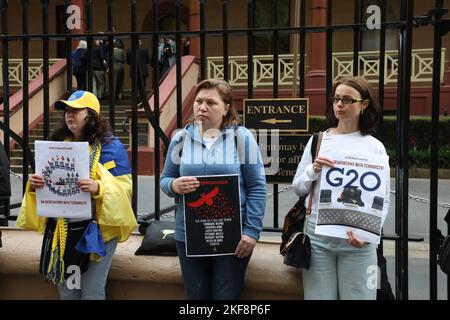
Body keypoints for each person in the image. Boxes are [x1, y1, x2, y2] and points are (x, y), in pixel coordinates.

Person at [16, 90, 137, 300]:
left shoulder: (112, 147)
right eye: (67, 111)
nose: (69, 115)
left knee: (91, 294)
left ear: (91, 115)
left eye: (76, 110)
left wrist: (99, 188)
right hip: (63, 230)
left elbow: (124, 189)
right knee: (67, 294)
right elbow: (49, 184)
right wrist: (35, 185)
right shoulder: (56, 145)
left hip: (98, 232)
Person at [160, 79, 267, 300]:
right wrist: (174, 185)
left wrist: (251, 232)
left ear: (226, 107)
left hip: (232, 236)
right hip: (190, 234)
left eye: (211, 102)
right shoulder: (180, 138)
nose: (202, 107)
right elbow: (165, 179)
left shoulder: (241, 137)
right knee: (196, 296)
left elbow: (257, 187)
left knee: (225, 296)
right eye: (199, 101)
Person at [292, 76, 390, 300]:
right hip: (317, 238)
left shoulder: (375, 147)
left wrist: (368, 235)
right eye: (336, 98)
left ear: (364, 104)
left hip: (359, 243)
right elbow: (298, 188)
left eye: (347, 99)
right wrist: (313, 170)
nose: (339, 104)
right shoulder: (319, 140)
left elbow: (383, 199)